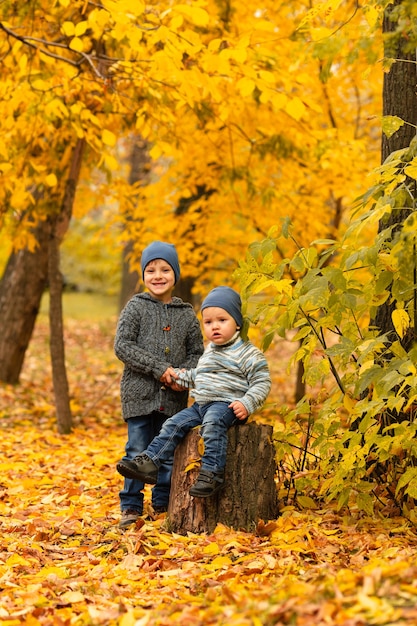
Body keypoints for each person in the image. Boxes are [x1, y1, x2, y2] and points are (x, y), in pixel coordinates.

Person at [116, 286, 271, 498]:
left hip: (226, 404)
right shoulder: (210, 352)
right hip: (201, 404)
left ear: (237, 323)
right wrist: (177, 377)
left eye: (222, 320)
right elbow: (198, 375)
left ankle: (212, 473)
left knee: (213, 424)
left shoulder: (247, 353)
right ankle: (150, 461)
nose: (214, 327)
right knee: (173, 423)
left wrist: (247, 403)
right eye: (208, 322)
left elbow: (262, 382)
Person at [115, 241, 204, 528]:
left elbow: (197, 354)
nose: (158, 275)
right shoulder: (136, 307)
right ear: (143, 274)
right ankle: (131, 506)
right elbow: (123, 346)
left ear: (175, 274)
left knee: (167, 453)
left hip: (174, 398)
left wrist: (182, 376)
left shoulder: (187, 314)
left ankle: (163, 504)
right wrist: (160, 369)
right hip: (139, 394)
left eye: (165, 269)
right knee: (137, 449)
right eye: (151, 269)